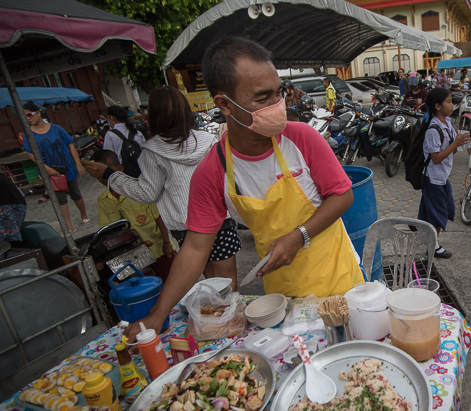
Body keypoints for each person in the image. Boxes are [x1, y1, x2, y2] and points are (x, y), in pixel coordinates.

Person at [122, 36, 363, 342]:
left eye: (278, 94)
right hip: (284, 294)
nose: (277, 106)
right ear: (224, 104)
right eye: (262, 98)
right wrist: (156, 316)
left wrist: (298, 235)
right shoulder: (213, 170)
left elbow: (343, 194)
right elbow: (196, 247)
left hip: (338, 278)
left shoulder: (302, 138)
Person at [82, 86, 240, 283]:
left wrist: (110, 175)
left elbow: (147, 193)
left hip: (187, 227)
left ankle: (224, 312)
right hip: (219, 220)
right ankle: (234, 313)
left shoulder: (152, 151)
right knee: (229, 280)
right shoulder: (209, 140)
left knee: (212, 281)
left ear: (154, 115)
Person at [91, 149, 173, 279]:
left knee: (172, 282)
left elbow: (158, 217)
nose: (104, 178)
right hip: (129, 255)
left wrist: (167, 243)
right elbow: (106, 230)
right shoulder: (103, 200)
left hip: (157, 248)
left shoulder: (139, 190)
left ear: (120, 168)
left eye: (107, 172)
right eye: (99, 175)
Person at [418, 87, 471, 259]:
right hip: (433, 179)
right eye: (448, 101)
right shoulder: (433, 130)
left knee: (443, 209)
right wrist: (454, 145)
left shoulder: (447, 124)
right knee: (438, 214)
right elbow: (436, 158)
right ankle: (433, 246)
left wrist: (458, 142)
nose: (452, 104)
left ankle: (425, 236)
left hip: (442, 177)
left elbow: (450, 151)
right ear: (438, 106)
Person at [21, 102, 89, 232]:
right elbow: (31, 154)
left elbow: (70, 145)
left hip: (67, 167)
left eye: (30, 114)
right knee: (60, 198)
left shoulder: (57, 128)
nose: (28, 118)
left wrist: (78, 164)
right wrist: (46, 168)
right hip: (50, 171)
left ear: (38, 113)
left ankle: (83, 214)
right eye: (25, 117)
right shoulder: (28, 134)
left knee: (75, 193)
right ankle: (68, 225)